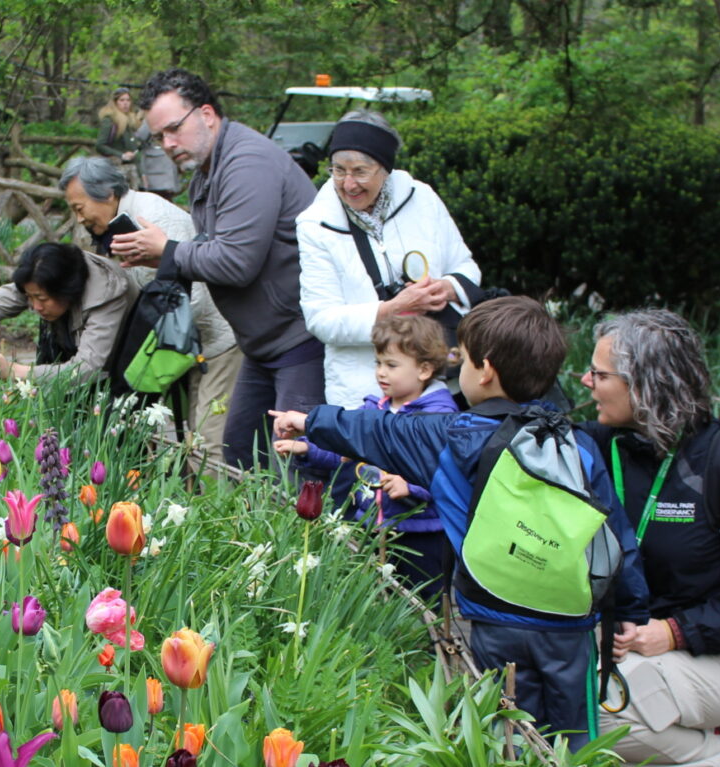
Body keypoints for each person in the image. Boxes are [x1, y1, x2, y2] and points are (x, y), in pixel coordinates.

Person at [271, 297, 650, 747]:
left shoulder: (455, 437)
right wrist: (630, 608)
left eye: (463, 360)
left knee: (502, 730)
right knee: (574, 740)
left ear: (484, 371)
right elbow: (613, 533)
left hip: (494, 616)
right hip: (569, 624)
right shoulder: (576, 444)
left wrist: (310, 420)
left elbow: (377, 431)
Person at [581, 310, 720, 767]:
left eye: (600, 374)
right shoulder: (605, 443)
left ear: (644, 385)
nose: (586, 381)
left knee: (596, 721)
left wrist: (674, 632)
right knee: (551, 694)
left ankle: (716, 758)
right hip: (628, 647)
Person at [112, 68, 323, 470]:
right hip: (261, 346)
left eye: (174, 129)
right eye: (159, 137)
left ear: (206, 114)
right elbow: (214, 248)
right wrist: (163, 253)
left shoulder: (247, 163)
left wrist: (168, 251)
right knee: (237, 457)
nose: (168, 144)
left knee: (300, 469)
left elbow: (237, 262)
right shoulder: (209, 171)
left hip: (298, 343)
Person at [295, 110, 483, 408]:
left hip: (437, 386)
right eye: (338, 170)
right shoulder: (316, 223)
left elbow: (466, 268)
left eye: (360, 171)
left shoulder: (422, 198)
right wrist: (393, 309)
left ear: (385, 168)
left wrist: (446, 288)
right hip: (364, 392)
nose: (348, 184)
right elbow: (321, 320)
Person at [58, 156, 243, 446]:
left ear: (107, 194)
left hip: (214, 342)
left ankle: (211, 491)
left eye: (79, 209)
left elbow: (189, 299)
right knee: (187, 437)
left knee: (208, 441)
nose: (79, 219)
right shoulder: (118, 225)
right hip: (178, 346)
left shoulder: (152, 217)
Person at [274, 314, 458, 600]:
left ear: (424, 369)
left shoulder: (439, 418)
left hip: (420, 532)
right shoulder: (375, 406)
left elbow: (447, 473)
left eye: (391, 365)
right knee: (377, 596)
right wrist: (308, 448)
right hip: (373, 525)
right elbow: (348, 455)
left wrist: (411, 487)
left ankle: (424, 644)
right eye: (378, 363)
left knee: (421, 599)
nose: (381, 372)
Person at [0, 242, 138, 383]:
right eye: (29, 297)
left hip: (124, 373)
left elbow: (87, 368)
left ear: (67, 290)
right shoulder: (38, 275)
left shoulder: (106, 294)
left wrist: (13, 370)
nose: (36, 307)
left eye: (42, 299)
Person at [95, 88, 143, 165]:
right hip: (116, 166)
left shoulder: (132, 120)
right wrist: (121, 155)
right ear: (115, 102)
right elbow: (100, 145)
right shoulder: (110, 120)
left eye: (128, 100)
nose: (125, 103)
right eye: (122, 100)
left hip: (135, 165)